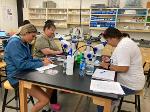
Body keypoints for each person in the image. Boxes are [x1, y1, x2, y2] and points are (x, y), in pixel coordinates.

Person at [4, 24, 54, 112]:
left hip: (25, 72)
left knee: (51, 86)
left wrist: (41, 60)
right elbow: (22, 65)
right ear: (26, 33)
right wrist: (42, 63)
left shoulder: (24, 42)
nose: (34, 39)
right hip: (16, 76)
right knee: (45, 100)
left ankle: (43, 107)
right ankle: (42, 104)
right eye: (33, 36)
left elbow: (29, 59)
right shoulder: (14, 43)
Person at [98, 27, 145, 112]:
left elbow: (124, 68)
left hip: (131, 85)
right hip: (132, 80)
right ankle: (113, 102)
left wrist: (107, 66)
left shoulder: (123, 46)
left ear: (113, 38)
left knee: (101, 95)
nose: (108, 43)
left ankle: (108, 106)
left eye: (108, 40)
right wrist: (110, 60)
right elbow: (122, 60)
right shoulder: (124, 41)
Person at [34, 20, 63, 111]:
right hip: (40, 62)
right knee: (53, 80)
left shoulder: (50, 37)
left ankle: (49, 98)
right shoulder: (41, 38)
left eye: (54, 30)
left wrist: (59, 51)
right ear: (46, 29)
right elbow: (46, 51)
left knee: (57, 76)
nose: (53, 32)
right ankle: (51, 101)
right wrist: (57, 52)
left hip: (49, 61)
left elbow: (55, 48)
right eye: (51, 30)